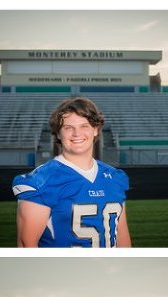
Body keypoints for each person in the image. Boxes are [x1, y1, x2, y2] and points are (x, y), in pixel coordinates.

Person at [13, 97, 131, 248]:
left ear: (95, 129)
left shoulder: (115, 178)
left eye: (84, 126)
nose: (77, 133)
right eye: (68, 127)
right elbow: (26, 245)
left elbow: (121, 235)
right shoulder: (41, 181)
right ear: (58, 133)